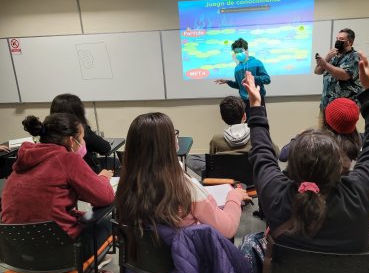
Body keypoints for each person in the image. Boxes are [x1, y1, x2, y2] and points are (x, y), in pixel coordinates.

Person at [239, 52, 369, 273]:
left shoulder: (275, 194)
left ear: (290, 167)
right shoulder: (360, 194)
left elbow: (262, 153)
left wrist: (255, 106)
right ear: (340, 165)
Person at [115, 112, 251, 240]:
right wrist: (234, 197)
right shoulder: (186, 188)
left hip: (145, 262)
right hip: (188, 260)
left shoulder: (125, 187)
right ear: (166, 144)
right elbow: (227, 229)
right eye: (173, 133)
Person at [1, 113, 115, 259]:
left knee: (83, 216)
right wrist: (103, 178)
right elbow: (105, 197)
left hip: (18, 253)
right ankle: (90, 270)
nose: (84, 143)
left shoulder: (24, 158)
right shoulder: (67, 159)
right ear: (71, 140)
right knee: (109, 223)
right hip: (59, 253)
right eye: (82, 139)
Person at [186, 95, 279, 178]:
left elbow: (212, 161)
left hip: (225, 177)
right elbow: (276, 153)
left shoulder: (216, 139)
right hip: (253, 178)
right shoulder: (258, 135)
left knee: (191, 158)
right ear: (245, 116)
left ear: (223, 118)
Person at [279, 97, 362, 174]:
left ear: (325, 120)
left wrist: (299, 137)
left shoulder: (317, 141)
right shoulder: (358, 141)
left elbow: (283, 155)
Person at [50, 93, 113, 173]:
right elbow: (105, 148)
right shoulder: (79, 131)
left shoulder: (48, 132)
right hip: (84, 170)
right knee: (114, 162)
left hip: (58, 171)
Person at [215, 38, 270, 119]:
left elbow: (267, 79)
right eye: (236, 52)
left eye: (240, 51)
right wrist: (227, 82)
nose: (238, 54)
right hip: (244, 102)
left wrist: (252, 78)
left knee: (260, 124)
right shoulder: (237, 68)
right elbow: (239, 85)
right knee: (247, 126)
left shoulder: (257, 62)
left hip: (258, 99)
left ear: (246, 50)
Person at [315, 28, 363, 111]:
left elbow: (344, 75)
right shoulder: (333, 55)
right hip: (326, 104)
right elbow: (317, 71)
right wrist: (327, 58)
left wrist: (325, 64)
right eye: (337, 39)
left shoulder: (354, 56)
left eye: (341, 39)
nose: (338, 41)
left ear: (350, 42)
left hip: (345, 108)